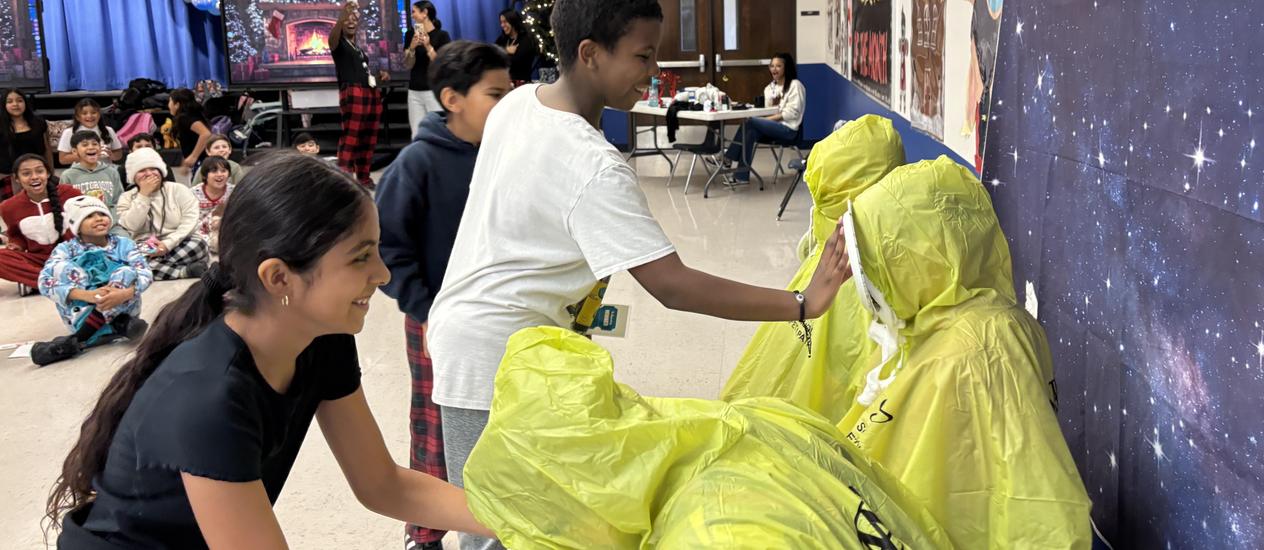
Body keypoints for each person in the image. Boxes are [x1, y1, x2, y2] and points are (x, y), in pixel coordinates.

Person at [423, 2, 851, 548]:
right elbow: (673, 285)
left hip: (500, 341)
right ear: (589, 54)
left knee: (527, 516)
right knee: (499, 526)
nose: (653, 72)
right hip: (492, 360)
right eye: (642, 56)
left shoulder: (516, 105)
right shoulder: (593, 164)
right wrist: (800, 303)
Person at [46, 152, 492, 548]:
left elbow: (383, 484)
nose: (383, 275)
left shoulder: (323, 338)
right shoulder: (210, 394)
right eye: (361, 257)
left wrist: (526, 521)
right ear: (279, 277)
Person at [375, 40, 510, 550]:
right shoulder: (416, 163)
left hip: (501, 318)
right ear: (452, 99)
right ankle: (425, 532)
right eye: (495, 94)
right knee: (438, 428)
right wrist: (426, 311)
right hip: (439, 321)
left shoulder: (507, 157)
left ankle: (502, 520)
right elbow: (387, 251)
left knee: (499, 423)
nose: (507, 104)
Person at [30, 195, 153, 366]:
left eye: (101, 214)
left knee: (126, 271)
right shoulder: (65, 249)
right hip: (81, 313)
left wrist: (125, 293)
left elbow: (145, 272)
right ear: (76, 225)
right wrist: (88, 295)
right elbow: (44, 283)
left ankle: (78, 339)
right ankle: (119, 325)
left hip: (124, 306)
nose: (98, 219)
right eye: (89, 216)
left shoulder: (124, 244)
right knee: (62, 268)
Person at [115, 148, 209, 281]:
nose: (149, 174)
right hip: (145, 247)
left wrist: (167, 244)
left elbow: (190, 221)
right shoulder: (126, 197)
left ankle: (151, 269)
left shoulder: (179, 190)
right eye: (142, 170)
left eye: (153, 169)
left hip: (178, 241)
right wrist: (143, 196)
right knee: (127, 259)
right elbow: (132, 226)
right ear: (133, 176)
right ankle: (183, 272)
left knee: (199, 244)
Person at [330, 1, 391, 189]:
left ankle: (363, 177)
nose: (351, 22)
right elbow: (335, 33)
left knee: (368, 136)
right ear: (341, 21)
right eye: (347, 19)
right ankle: (345, 181)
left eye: (355, 19)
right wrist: (345, 12)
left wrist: (380, 79)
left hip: (369, 93)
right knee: (351, 136)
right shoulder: (337, 43)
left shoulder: (357, 48)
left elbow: (365, 74)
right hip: (352, 92)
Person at [722, 52, 806, 185]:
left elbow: (791, 114)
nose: (774, 69)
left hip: (789, 130)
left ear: (786, 68)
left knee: (749, 121)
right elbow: (766, 111)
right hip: (772, 129)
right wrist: (764, 119)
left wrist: (766, 120)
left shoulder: (796, 86)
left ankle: (727, 158)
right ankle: (741, 176)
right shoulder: (769, 88)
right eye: (772, 66)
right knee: (751, 132)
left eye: (778, 66)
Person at [0, 155, 82, 291]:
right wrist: (16, 246)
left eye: (39, 171)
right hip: (40, 260)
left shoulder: (69, 193)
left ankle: (38, 282)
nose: (34, 177)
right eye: (26, 173)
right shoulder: (8, 207)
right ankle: (54, 281)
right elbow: (17, 237)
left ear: (48, 173)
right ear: (16, 178)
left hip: (74, 255)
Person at [59, 130, 128, 238]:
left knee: (126, 242)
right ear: (74, 151)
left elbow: (119, 202)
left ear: (100, 148)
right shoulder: (68, 175)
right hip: (82, 228)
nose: (91, 147)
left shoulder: (111, 172)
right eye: (85, 145)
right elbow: (65, 207)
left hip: (111, 225)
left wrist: (111, 221)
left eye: (95, 144)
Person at [403, 1, 452, 137]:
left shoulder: (442, 35)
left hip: (434, 91)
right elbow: (407, 64)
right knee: (417, 134)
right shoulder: (410, 34)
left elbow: (442, 65)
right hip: (414, 92)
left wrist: (428, 46)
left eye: (414, 11)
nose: (412, 15)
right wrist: (412, 47)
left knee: (439, 132)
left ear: (425, 13)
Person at [1, 88, 52, 198]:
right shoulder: (1, 126)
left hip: (37, 174)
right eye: (10, 101)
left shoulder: (39, 123)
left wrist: (50, 172)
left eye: (19, 100)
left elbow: (47, 149)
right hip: (8, 177)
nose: (15, 104)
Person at [57, 99, 124, 165]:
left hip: (106, 171)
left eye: (93, 113)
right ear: (77, 117)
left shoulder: (108, 130)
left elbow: (118, 153)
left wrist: (111, 155)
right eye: (84, 113)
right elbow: (63, 159)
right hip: (81, 172)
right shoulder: (69, 132)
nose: (89, 116)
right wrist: (88, 155)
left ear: (99, 115)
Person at [192, 156, 233, 254]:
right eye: (214, 171)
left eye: (223, 171)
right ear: (205, 176)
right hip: (199, 232)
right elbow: (189, 220)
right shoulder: (193, 193)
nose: (219, 175)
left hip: (225, 230)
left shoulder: (234, 192)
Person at [169, 89, 212, 174]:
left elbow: (206, 134)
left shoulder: (185, 118)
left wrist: (193, 157)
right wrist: (185, 162)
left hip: (202, 161)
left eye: (170, 101)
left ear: (177, 104)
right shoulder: (191, 116)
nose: (168, 105)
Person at [495, 9, 538, 86]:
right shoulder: (502, 39)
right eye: (501, 22)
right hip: (502, 82)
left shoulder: (526, 40)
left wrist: (499, 55)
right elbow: (490, 56)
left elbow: (516, 62)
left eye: (505, 22)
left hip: (521, 84)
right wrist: (506, 50)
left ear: (513, 21)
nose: (502, 25)